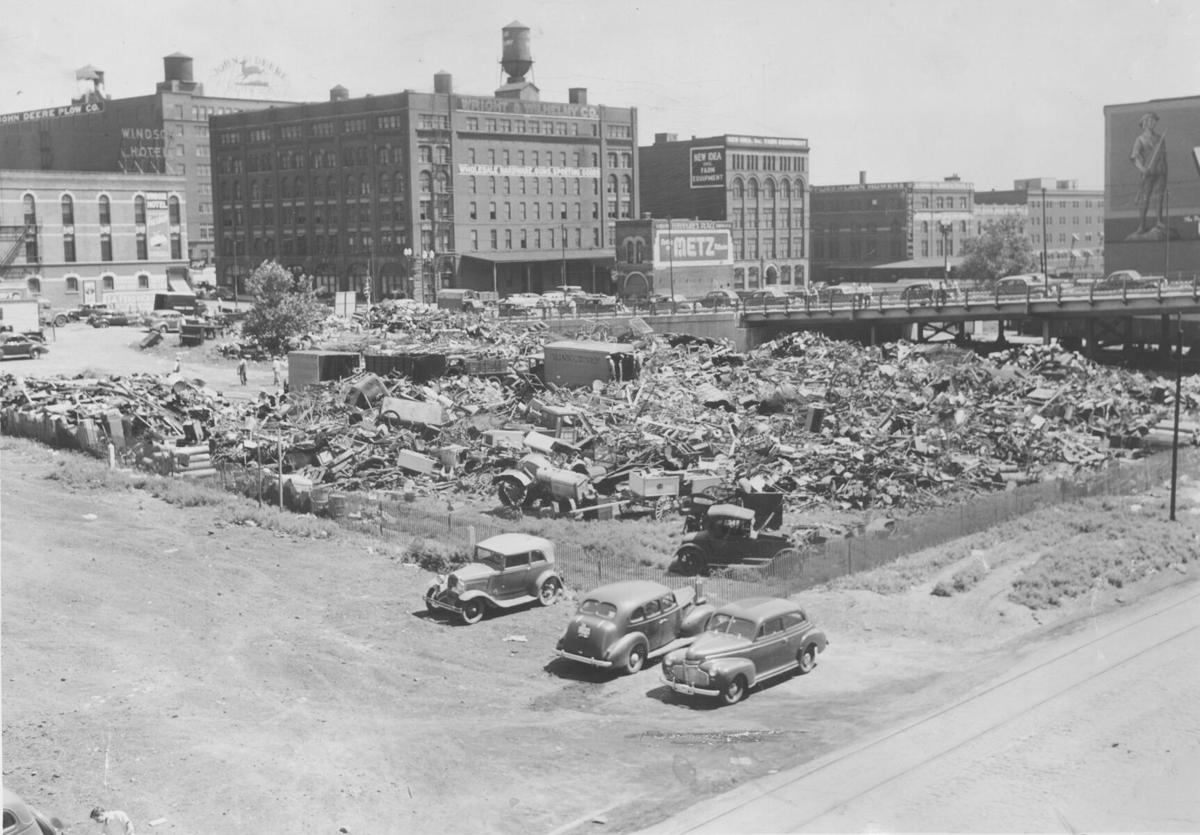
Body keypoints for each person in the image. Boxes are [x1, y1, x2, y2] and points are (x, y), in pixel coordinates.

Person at [1130, 111, 1168, 237]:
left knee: (1159, 196)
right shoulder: (1140, 139)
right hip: (1147, 172)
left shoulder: (1159, 138)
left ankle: (1159, 221)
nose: (1153, 123)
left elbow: (1163, 156)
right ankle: (1141, 226)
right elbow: (1135, 158)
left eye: (1154, 120)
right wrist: (1142, 169)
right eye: (1150, 120)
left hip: (1160, 171)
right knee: (1145, 199)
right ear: (1144, 123)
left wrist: (1164, 171)